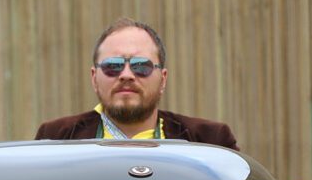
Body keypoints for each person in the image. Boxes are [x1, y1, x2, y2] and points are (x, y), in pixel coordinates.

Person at [34, 18, 238, 150]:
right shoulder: (55, 140)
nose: (126, 75)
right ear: (94, 78)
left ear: (163, 78)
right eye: (113, 66)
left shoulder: (210, 141)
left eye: (141, 66)